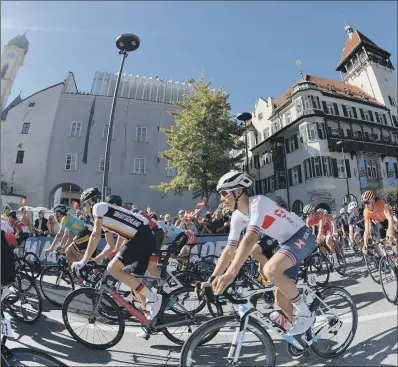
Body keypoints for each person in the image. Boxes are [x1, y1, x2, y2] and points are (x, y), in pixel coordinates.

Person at [205, 170, 316, 336]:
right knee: (280, 296)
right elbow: (229, 250)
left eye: (224, 193)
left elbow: (250, 239)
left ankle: (306, 315)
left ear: (237, 191)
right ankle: (302, 335)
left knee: (270, 270)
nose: (221, 199)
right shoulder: (237, 216)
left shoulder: (258, 202)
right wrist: (212, 278)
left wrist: (230, 274)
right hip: (285, 243)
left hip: (301, 235)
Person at [72, 188, 163, 320]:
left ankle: (154, 298)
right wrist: (96, 260)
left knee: (112, 269)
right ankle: (149, 320)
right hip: (143, 237)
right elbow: (110, 246)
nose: (83, 209)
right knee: (135, 282)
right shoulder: (103, 217)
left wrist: (83, 261)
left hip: (143, 236)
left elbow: (95, 235)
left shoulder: (99, 207)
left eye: (83, 204)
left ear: (91, 201)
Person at [361, 190, 396, 255]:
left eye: (367, 202)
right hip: (380, 223)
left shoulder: (381, 203)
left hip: (388, 220)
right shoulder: (366, 211)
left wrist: (390, 232)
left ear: (373, 200)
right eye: (364, 203)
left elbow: (390, 218)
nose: (366, 205)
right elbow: (366, 230)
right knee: (382, 241)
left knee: (390, 238)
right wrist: (365, 244)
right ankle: (391, 256)